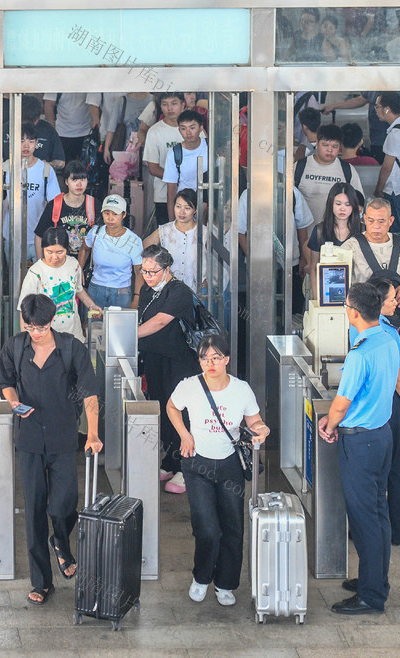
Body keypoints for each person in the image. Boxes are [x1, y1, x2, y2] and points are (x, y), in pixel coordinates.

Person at [0, 294, 101, 605]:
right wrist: (13, 402)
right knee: (33, 511)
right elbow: (7, 382)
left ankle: (61, 539)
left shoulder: (72, 348)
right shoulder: (15, 346)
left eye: (41, 327)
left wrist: (93, 433)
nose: (36, 333)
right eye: (30, 327)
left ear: (52, 320)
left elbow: (90, 394)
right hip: (29, 438)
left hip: (63, 435)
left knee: (64, 503)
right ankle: (41, 581)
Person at [167, 335, 270, 606]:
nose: (210, 364)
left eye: (215, 358)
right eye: (204, 358)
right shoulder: (189, 386)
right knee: (207, 528)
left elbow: (255, 420)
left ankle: (226, 584)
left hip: (229, 464)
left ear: (226, 360)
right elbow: (172, 407)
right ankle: (201, 577)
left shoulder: (241, 389)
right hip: (197, 464)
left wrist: (262, 430)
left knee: (233, 527)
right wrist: (184, 435)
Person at [317, 282, 400, 615]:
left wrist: (330, 424)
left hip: (361, 441)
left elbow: (341, 404)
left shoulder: (360, 352)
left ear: (352, 312)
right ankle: (376, 579)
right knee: (379, 514)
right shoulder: (387, 338)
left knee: (365, 518)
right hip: (382, 435)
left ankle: (370, 596)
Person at [357, 277, 400, 548]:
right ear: (376, 302)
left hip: (370, 407)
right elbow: (398, 379)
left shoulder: (365, 328)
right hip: (392, 406)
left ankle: (368, 527)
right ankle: (398, 528)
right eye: (390, 298)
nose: (395, 302)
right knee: (396, 469)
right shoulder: (386, 333)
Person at [137, 244, 200, 494]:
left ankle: (187, 467)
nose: (148, 276)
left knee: (180, 411)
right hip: (154, 358)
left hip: (179, 360)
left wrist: (127, 334)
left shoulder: (179, 291)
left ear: (167, 269)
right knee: (161, 407)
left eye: (153, 271)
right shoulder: (146, 289)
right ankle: (170, 460)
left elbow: (160, 321)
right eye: (144, 271)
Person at [340, 197, 400, 334]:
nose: (376, 226)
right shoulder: (350, 247)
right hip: (364, 321)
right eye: (371, 221)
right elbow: (340, 289)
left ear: (391, 221)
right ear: (364, 219)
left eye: (381, 221)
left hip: (399, 321)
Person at [19, 226, 101, 341]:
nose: (54, 257)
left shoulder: (73, 265)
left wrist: (92, 306)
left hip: (73, 334)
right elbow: (24, 310)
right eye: (49, 252)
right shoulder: (35, 273)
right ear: (43, 248)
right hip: (46, 337)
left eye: (60, 252)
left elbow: (78, 290)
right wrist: (26, 340)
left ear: (67, 249)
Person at [1, 123, 62, 262]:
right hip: (11, 236)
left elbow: (55, 204)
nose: (26, 146)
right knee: (14, 281)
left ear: (36, 144)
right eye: (21, 141)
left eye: (30, 141)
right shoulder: (6, 169)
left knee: (38, 279)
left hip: (39, 236)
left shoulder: (46, 170)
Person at [295, 124, 365, 226]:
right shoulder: (300, 167)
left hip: (337, 235)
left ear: (340, 147)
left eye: (334, 146)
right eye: (325, 145)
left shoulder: (348, 170)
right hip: (304, 234)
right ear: (317, 143)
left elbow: (359, 204)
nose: (330, 150)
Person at [33, 160, 100, 263]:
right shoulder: (55, 205)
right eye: (74, 180)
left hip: (87, 265)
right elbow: (39, 235)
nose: (79, 184)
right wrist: (41, 263)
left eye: (83, 179)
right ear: (66, 182)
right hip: (59, 264)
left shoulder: (94, 204)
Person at [84, 195, 144, 309]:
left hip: (121, 292)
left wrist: (136, 298)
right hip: (96, 288)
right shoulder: (95, 233)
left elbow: (139, 272)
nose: (110, 218)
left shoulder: (134, 241)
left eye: (115, 214)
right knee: (94, 325)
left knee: (119, 326)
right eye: (107, 213)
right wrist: (79, 269)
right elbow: (84, 249)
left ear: (124, 215)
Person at [143, 188, 205, 294]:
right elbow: (143, 248)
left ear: (195, 210)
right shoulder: (165, 231)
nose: (182, 212)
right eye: (178, 206)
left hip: (196, 292)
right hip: (169, 291)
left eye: (187, 208)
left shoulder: (204, 232)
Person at [373, 92, 400, 234]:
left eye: (377, 106)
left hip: (396, 191)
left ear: (387, 109)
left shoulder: (394, 135)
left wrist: (379, 189)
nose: (376, 110)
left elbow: (387, 167)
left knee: (397, 234)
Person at [142, 92, 186, 226]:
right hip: (163, 196)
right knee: (168, 235)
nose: (170, 108)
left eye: (174, 104)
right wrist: (178, 177)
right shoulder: (155, 131)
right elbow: (153, 168)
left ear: (182, 105)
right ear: (160, 107)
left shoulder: (193, 128)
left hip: (190, 195)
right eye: (165, 105)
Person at [304, 182, 362, 280]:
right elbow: (314, 268)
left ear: (354, 206)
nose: (342, 208)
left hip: (357, 291)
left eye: (348, 204)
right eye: (338, 204)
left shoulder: (363, 230)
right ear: (331, 204)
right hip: (327, 288)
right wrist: (316, 295)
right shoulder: (319, 230)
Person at [163, 110, 208, 224]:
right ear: (179, 130)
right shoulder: (174, 153)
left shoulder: (210, 147)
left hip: (209, 207)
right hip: (185, 207)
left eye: (192, 127)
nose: (188, 132)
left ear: (201, 128)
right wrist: (172, 223)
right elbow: (171, 190)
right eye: (183, 128)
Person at [1, 94, 66, 170]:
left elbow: (60, 162)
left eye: (34, 119)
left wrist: (44, 165)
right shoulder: (6, 129)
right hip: (11, 174)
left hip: (40, 176)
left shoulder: (47, 129)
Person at [42, 93, 101, 164]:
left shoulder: (88, 82)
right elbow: (49, 106)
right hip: (62, 133)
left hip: (86, 133)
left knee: (86, 169)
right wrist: (52, 132)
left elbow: (94, 104)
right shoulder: (55, 83)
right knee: (63, 168)